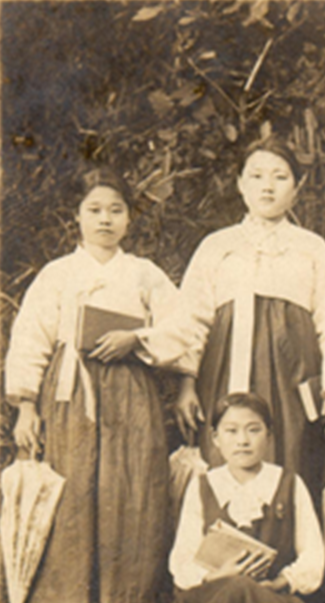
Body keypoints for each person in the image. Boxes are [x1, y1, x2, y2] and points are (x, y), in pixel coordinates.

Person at [4, 167, 182, 603]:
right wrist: (26, 407)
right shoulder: (57, 274)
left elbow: (181, 329)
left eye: (116, 210)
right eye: (95, 210)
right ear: (77, 216)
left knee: (129, 487)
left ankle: (125, 593)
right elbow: (30, 338)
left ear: (129, 218)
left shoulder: (143, 273)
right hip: (70, 397)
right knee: (73, 487)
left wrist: (136, 339)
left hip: (130, 395)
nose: (105, 220)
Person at [160, 136, 325, 494]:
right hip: (224, 375)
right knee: (224, 460)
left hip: (292, 380)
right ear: (241, 184)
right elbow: (192, 319)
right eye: (256, 176)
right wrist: (187, 384)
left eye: (280, 177)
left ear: (297, 187)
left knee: (289, 460)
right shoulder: (217, 246)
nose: (267, 186)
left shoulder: (312, 249)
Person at [169, 391, 325, 603]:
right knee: (236, 587)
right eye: (231, 431)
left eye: (253, 430)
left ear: (269, 436)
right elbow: (182, 559)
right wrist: (219, 576)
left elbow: (313, 555)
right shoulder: (203, 486)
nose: (242, 441)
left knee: (246, 589)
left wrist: (279, 582)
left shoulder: (288, 484)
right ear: (216, 438)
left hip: (270, 596)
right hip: (214, 595)